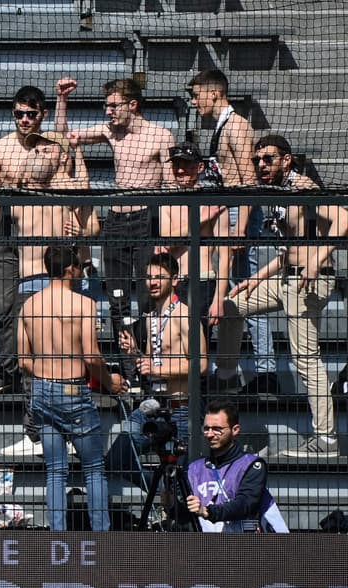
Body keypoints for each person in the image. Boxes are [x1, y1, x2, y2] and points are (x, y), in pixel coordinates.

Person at [217, 135, 347, 456]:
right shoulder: (276, 193)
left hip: (309, 283)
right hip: (286, 278)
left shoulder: (302, 187)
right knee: (231, 305)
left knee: (306, 360)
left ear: (286, 160)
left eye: (269, 159)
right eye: (257, 160)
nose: (261, 165)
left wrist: (317, 260)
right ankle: (227, 378)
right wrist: (255, 279)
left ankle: (326, 439)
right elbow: (288, 251)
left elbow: (344, 218)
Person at [0, 132, 96, 457]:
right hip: (31, 286)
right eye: (34, 152)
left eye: (43, 152)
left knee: (66, 359)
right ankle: (36, 432)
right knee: (33, 363)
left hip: (58, 284)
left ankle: (63, 431)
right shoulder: (21, 200)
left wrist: (74, 151)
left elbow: (88, 206)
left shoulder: (64, 192)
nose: (36, 155)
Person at [18, 246, 126, 531]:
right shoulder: (83, 304)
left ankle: (58, 535)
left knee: (55, 471)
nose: (80, 272)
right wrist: (110, 381)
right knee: (94, 469)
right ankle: (101, 536)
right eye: (78, 266)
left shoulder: (29, 305)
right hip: (73, 390)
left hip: (42, 390)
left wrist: (46, 373)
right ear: (70, 269)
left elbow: (23, 360)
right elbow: (91, 356)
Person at [56, 77, 173, 328]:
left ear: (132, 105)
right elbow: (64, 135)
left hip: (146, 219)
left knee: (148, 293)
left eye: (113, 106)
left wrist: (166, 232)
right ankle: (124, 350)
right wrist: (62, 99)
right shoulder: (111, 131)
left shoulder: (161, 136)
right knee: (117, 296)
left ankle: (148, 348)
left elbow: (172, 187)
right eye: (106, 106)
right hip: (116, 220)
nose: (108, 111)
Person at [188, 70, 278, 393]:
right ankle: (233, 371)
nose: (194, 102)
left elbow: (249, 181)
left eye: (197, 95)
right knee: (235, 295)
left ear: (214, 93)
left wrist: (239, 229)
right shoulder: (222, 126)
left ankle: (266, 373)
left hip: (240, 214)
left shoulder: (237, 126)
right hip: (228, 213)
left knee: (248, 292)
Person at [0, 85, 56, 389]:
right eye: (19, 114)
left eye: (31, 114)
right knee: (3, 305)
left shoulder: (51, 148)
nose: (24, 120)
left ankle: (37, 374)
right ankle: (8, 372)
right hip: (4, 228)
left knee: (38, 305)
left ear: (42, 115)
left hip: (39, 229)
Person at [121, 254, 209, 452]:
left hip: (181, 407)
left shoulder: (185, 315)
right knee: (120, 454)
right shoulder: (151, 317)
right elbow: (152, 362)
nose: (152, 282)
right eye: (149, 277)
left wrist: (156, 369)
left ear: (175, 280)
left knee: (180, 468)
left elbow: (201, 365)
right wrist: (134, 352)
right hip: (154, 406)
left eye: (159, 277)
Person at [155, 142, 231, 323]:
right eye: (176, 165)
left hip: (202, 282)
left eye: (186, 165)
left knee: (199, 337)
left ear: (200, 167)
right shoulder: (167, 203)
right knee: (172, 337)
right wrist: (200, 220)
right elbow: (167, 243)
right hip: (175, 282)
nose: (180, 171)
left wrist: (219, 299)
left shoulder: (215, 204)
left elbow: (226, 255)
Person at [186, 400, 288, 532]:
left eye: (217, 429)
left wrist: (207, 511)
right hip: (207, 544)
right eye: (206, 429)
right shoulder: (195, 468)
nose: (210, 434)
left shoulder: (252, 465)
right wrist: (172, 504)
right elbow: (185, 515)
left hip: (244, 542)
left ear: (235, 430)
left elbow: (245, 504)